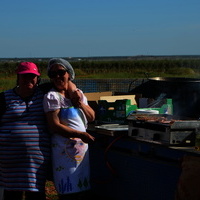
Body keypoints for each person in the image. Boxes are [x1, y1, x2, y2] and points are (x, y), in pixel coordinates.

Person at [43, 58, 95, 200]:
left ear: (69, 74)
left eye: (61, 72)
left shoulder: (78, 94)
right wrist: (80, 134)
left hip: (82, 154)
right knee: (68, 192)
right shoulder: (52, 97)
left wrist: (79, 103)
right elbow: (54, 126)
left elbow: (91, 117)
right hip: (63, 154)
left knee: (83, 191)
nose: (58, 77)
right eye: (53, 74)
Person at [0, 62, 51, 200]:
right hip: (10, 159)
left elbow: (64, 84)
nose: (28, 80)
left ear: (37, 79)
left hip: (37, 159)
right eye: (24, 76)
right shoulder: (4, 98)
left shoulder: (45, 95)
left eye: (32, 77)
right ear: (18, 78)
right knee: (11, 194)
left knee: (35, 193)